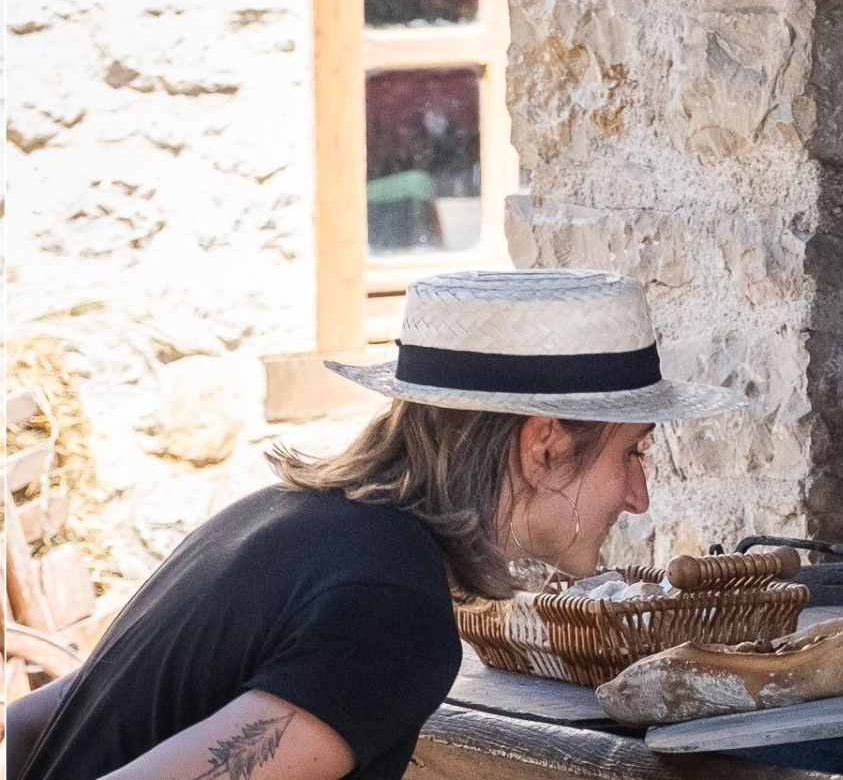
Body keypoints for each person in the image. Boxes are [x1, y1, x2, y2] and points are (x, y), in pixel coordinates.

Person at [7, 269, 744, 778]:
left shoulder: (282, 517)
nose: (639, 494)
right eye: (632, 452)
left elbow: (35, 723)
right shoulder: (393, 610)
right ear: (544, 445)